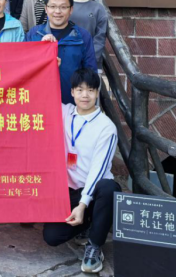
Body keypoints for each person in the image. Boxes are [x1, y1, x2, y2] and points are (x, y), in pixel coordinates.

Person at [43, 68, 120, 275]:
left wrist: (83, 204)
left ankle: (94, 245)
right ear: (72, 92)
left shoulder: (106, 128)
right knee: (52, 237)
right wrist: (49, 64)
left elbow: (98, 169)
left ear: (97, 93)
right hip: (69, 191)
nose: (85, 95)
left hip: (94, 192)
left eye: (90, 90)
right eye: (80, 90)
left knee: (109, 188)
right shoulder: (65, 112)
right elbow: (42, 92)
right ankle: (86, 224)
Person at [26, 0, 97, 104]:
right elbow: (24, 67)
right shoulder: (34, 34)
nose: (57, 11)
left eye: (63, 7)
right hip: (39, 102)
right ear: (46, 9)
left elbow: (90, 72)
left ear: (71, 10)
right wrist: (40, 49)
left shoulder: (82, 36)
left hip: (72, 103)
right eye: (53, 6)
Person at [68, 0, 108, 66]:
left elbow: (100, 37)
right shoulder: (62, 6)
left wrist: (90, 58)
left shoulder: (98, 8)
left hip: (90, 61)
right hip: (65, 60)